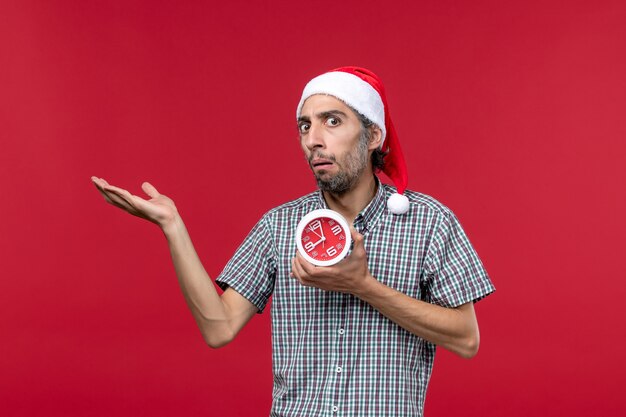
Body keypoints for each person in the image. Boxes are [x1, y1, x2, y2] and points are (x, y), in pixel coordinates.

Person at [92, 66, 495, 417]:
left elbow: (466, 339)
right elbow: (219, 327)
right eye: (305, 125)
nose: (313, 139)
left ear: (373, 135)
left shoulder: (429, 222)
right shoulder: (279, 225)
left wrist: (362, 286)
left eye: (332, 121)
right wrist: (173, 227)